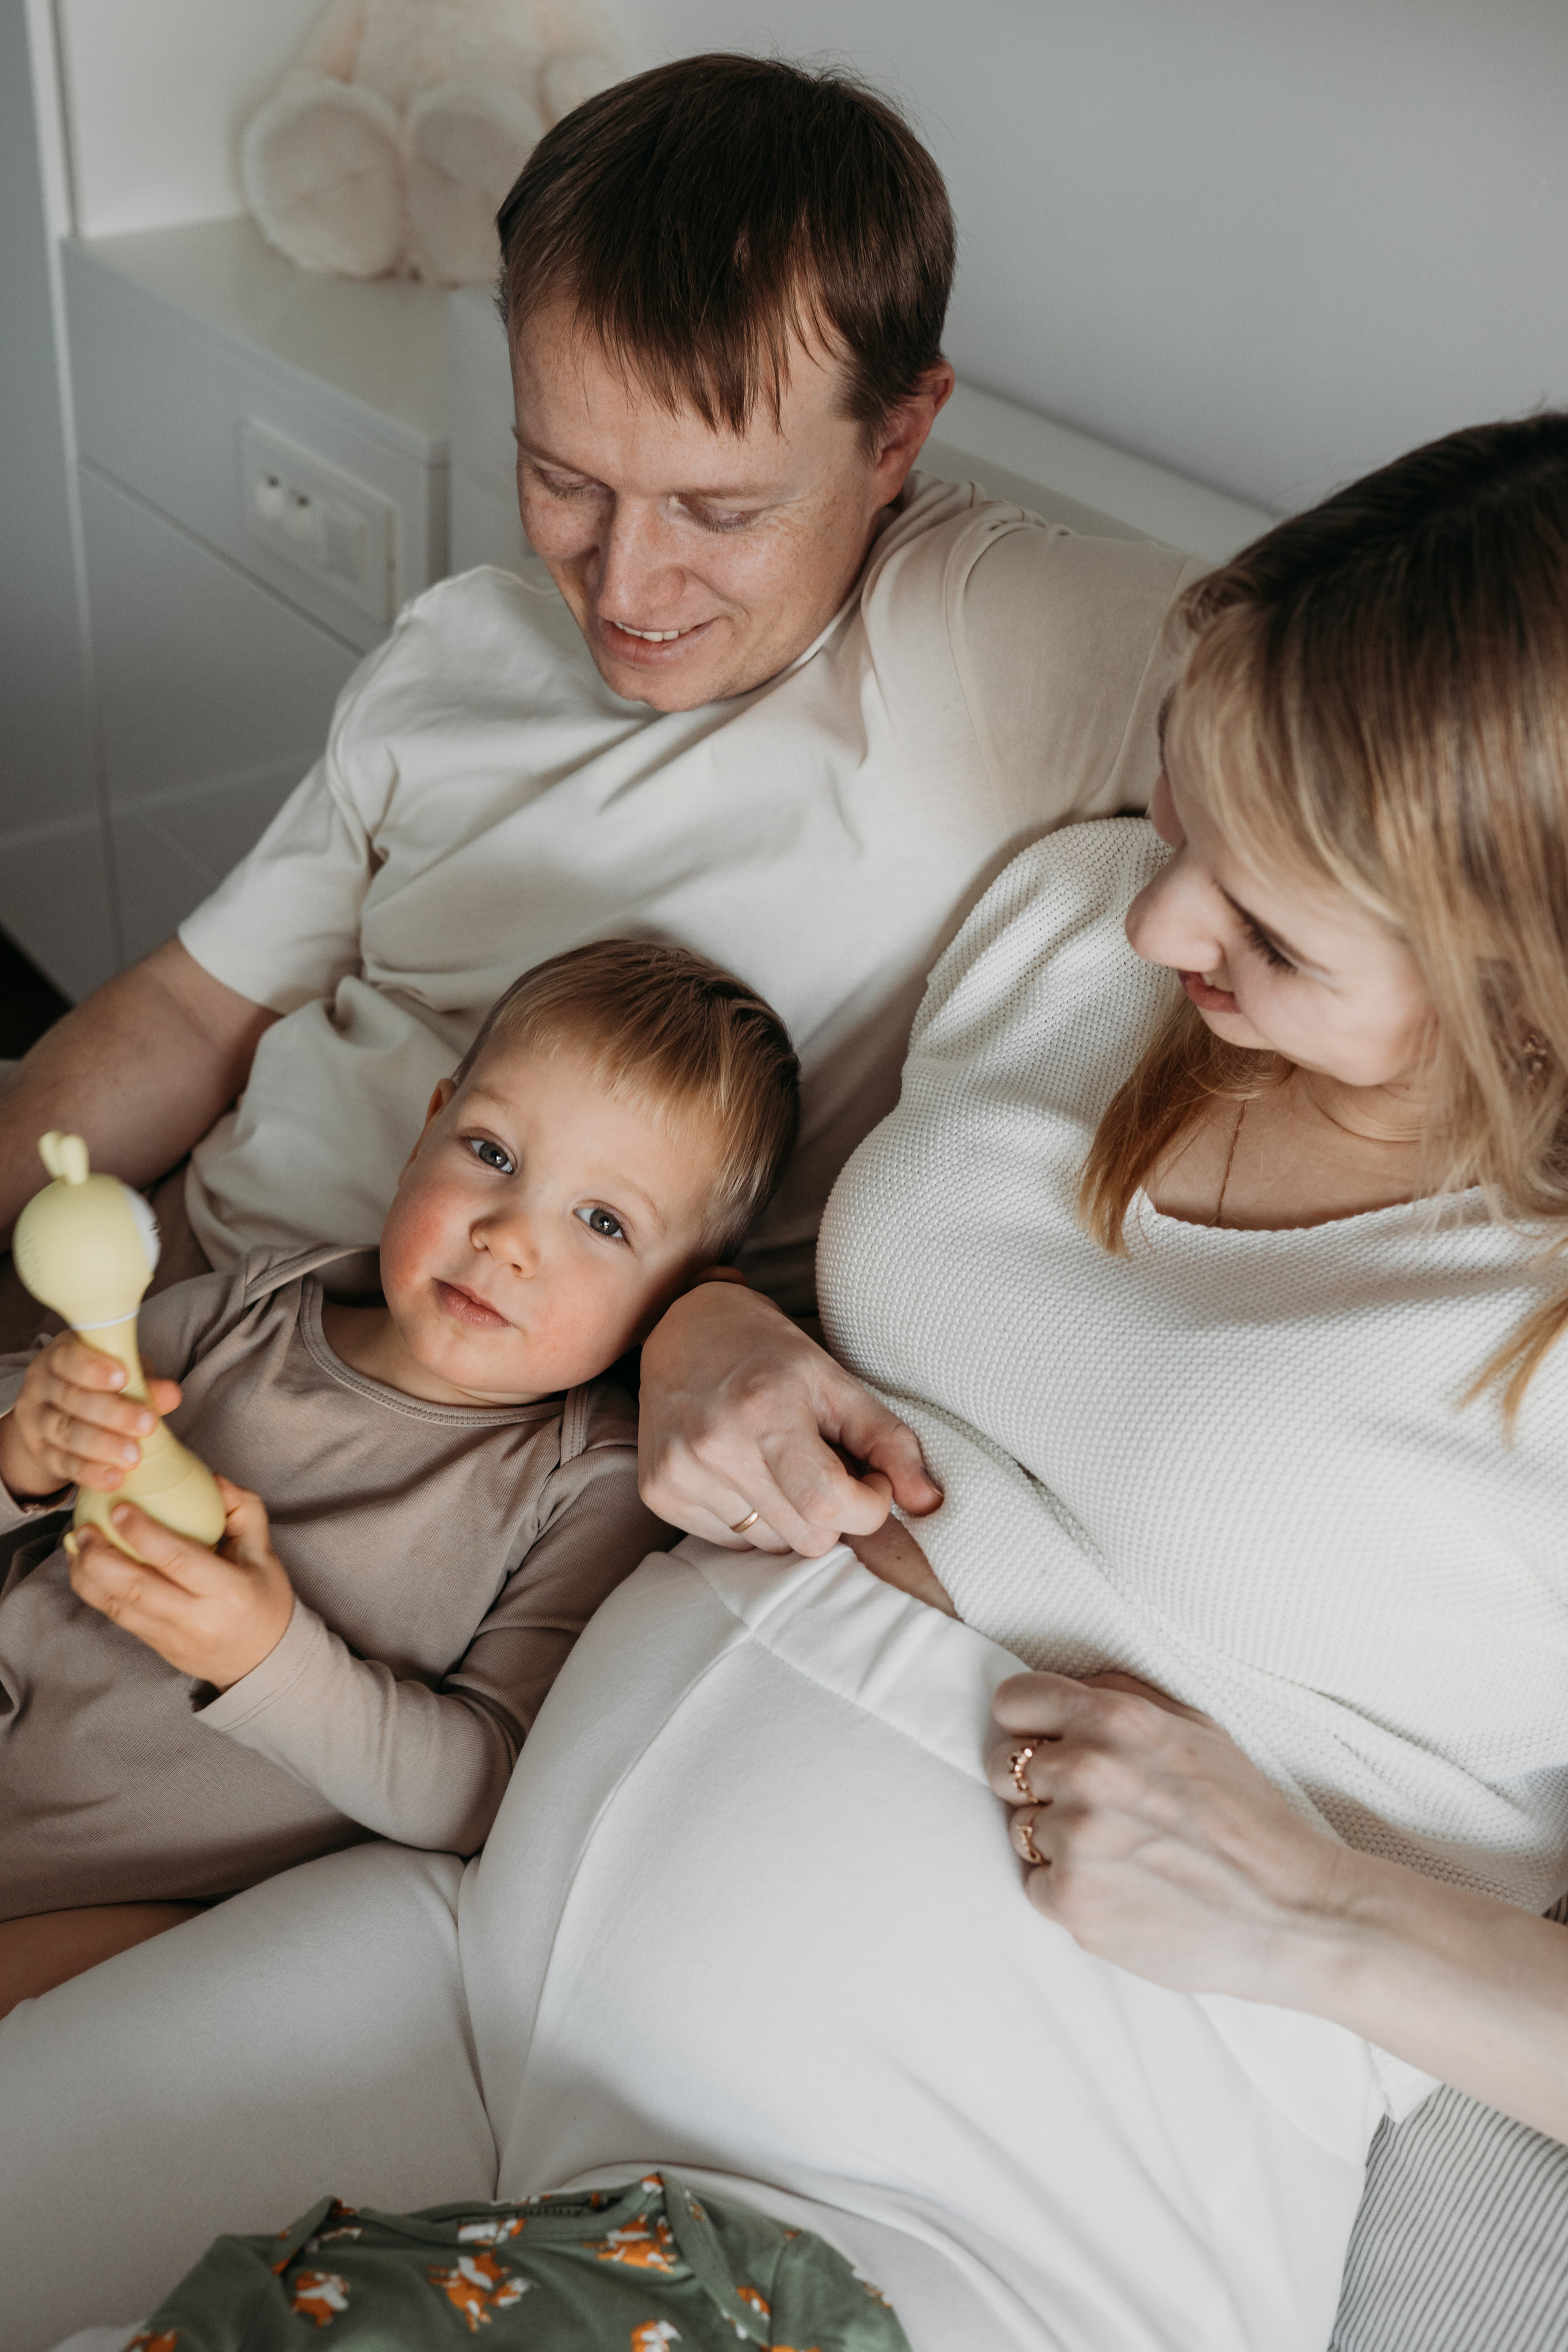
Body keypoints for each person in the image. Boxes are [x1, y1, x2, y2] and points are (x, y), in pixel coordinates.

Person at [8, 413, 1568, 2352]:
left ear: (1529, 970)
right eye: (1182, 823)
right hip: (481, 1955)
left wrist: (1325, 1916)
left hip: (947, 2204)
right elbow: (690, 1213)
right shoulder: (1078, 946)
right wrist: (702, 1329)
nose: (1160, 919)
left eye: (1267, 918)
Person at [0, 53, 1199, 1590]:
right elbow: (191, 1005)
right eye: (561, 478)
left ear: (898, 434)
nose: (622, 593)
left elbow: (1426, 677)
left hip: (395, 1470)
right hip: (154, 1316)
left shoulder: (1008, 642)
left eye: (717, 511)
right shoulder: (458, 647)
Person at [0, 940, 798, 2014]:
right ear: (427, 1128)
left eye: (604, 1223)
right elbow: (37, 1400)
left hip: (126, 1895)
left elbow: (478, 1789)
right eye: (492, 1152)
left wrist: (264, 1657)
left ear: (678, 1298)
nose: (508, 1236)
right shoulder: (260, 1305)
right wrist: (26, 1449)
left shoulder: (586, 1484)